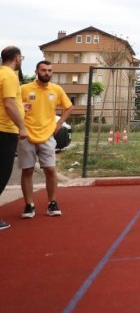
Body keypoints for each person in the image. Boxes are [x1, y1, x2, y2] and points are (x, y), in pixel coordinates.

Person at [19, 60, 74, 218]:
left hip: (47, 136)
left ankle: (52, 203)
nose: (47, 73)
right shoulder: (24, 89)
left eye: (50, 70)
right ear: (36, 72)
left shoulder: (56, 89)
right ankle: (29, 205)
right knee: (28, 170)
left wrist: (59, 124)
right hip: (26, 135)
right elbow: (13, 106)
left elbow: (69, 107)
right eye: (43, 70)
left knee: (50, 170)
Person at [1, 46, 28, 231]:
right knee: (2, 174)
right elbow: (9, 104)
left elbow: (11, 102)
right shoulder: (10, 75)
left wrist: (21, 106)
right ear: (17, 57)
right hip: (5, 130)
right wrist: (22, 126)